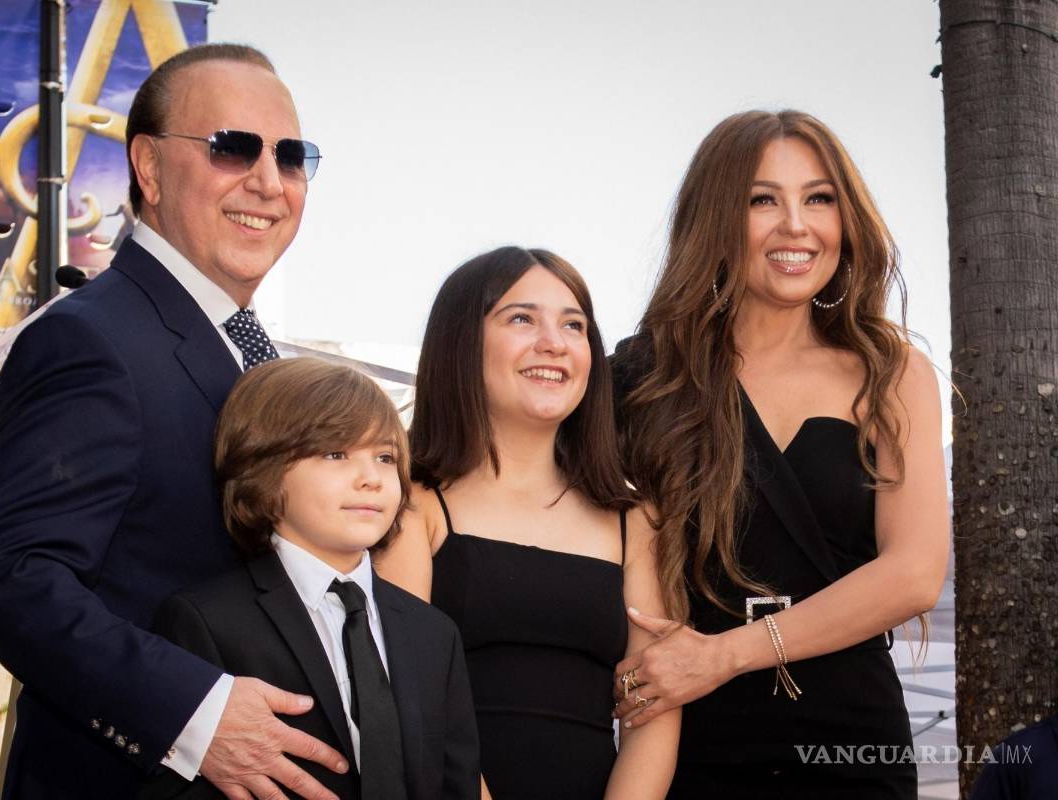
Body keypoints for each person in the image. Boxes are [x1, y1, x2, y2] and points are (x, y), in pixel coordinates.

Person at [0, 45, 347, 800]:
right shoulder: (91, 338)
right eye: (233, 148)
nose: (269, 181)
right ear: (149, 166)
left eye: (293, 157)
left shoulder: (250, 354)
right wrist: (196, 716)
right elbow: (10, 577)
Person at [610, 110, 949, 798]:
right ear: (716, 219)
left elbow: (914, 573)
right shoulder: (639, 377)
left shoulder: (891, 370)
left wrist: (724, 656)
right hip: (686, 739)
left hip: (851, 745)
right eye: (763, 199)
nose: (796, 224)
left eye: (819, 198)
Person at [376, 246, 678, 800]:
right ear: (461, 341)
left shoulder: (635, 520)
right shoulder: (410, 504)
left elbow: (652, 712)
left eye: (574, 325)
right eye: (521, 318)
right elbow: (408, 699)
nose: (555, 343)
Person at [142, 358, 480, 800]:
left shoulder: (434, 633)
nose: (370, 479)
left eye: (385, 457)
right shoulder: (205, 621)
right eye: (335, 454)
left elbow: (456, 785)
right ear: (262, 470)